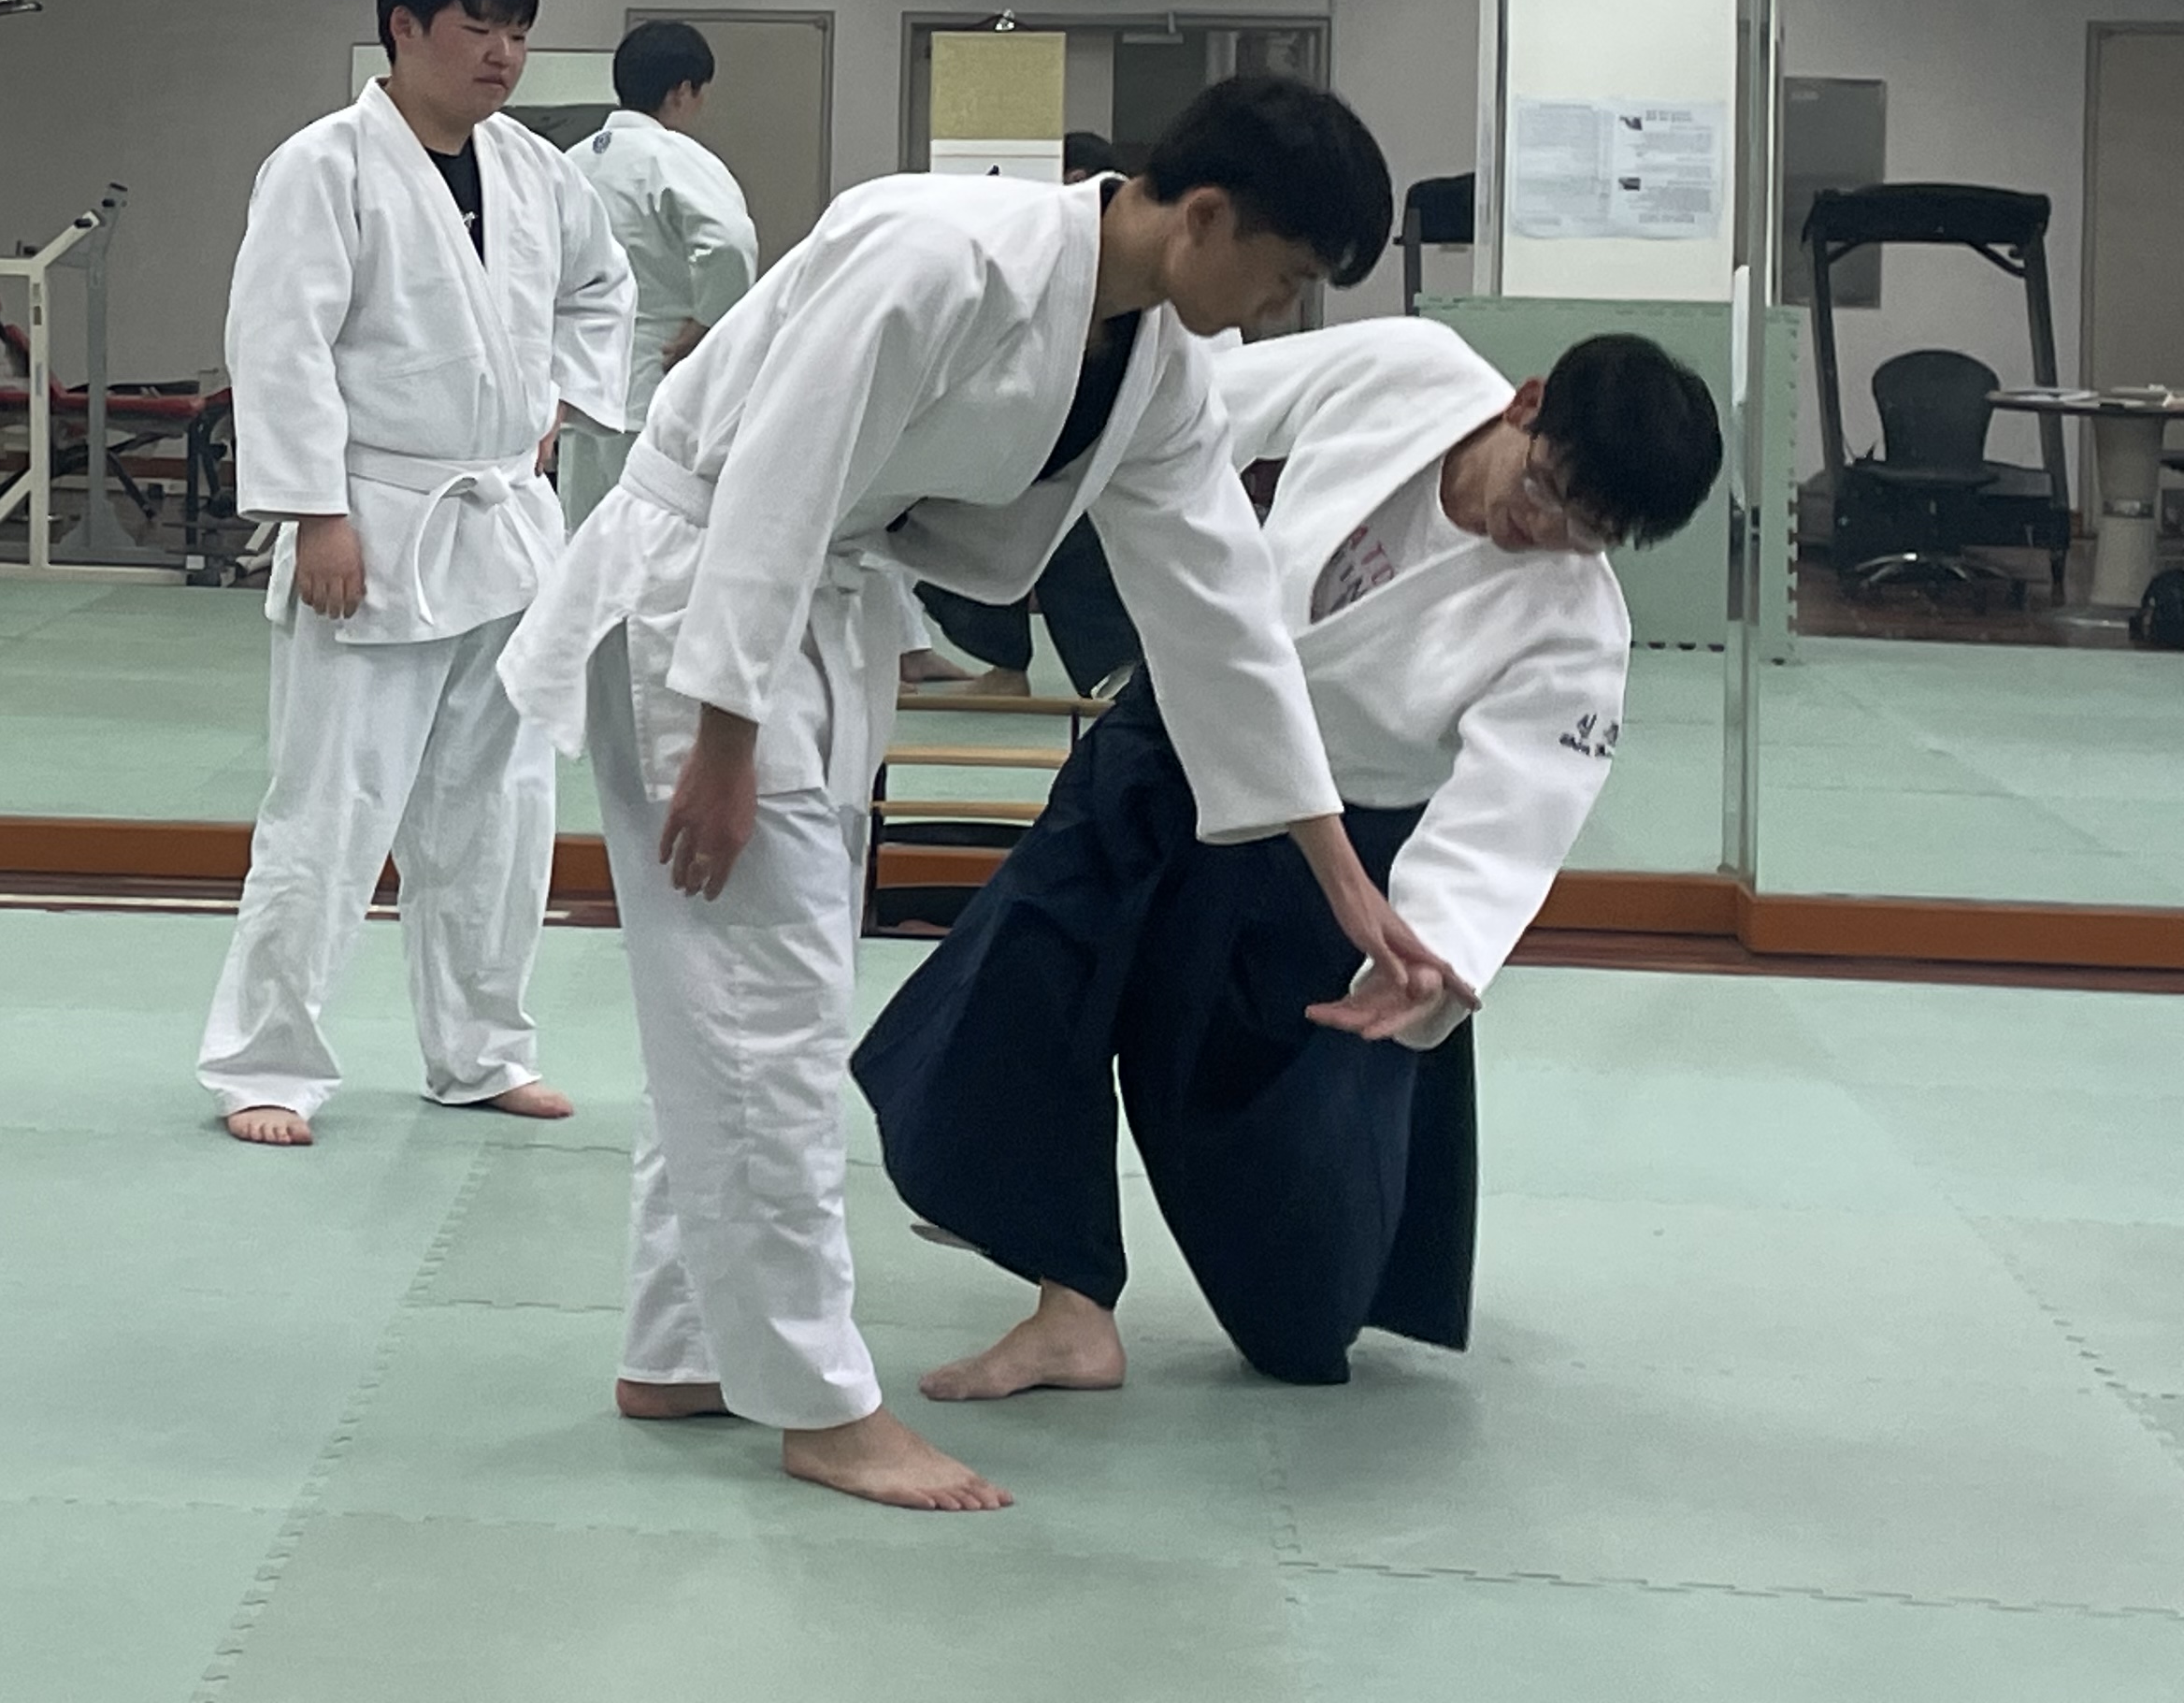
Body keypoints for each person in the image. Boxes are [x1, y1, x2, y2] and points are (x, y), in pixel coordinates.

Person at [501, 75, 1445, 1512]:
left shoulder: (1151, 363)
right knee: (765, 1017)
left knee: (744, 1007)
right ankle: (819, 1406)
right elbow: (780, 470)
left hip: (806, 622)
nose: (1277, 310)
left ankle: (683, 1349)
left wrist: (1342, 874)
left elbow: (1221, 616)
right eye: (1284, 274)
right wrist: (725, 736)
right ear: (1206, 217)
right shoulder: (940, 257)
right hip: (706, 611)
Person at [857, 319, 1722, 1396]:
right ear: (1527, 402)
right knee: (1038, 957)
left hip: (1337, 852)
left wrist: (1434, 950)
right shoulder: (1412, 371)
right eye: (1546, 489)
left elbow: (1513, 811)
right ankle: (1068, 1305)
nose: (1541, 529)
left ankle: (1297, 1288)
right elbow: (1199, 407)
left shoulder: (1576, 630)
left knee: (1291, 1272)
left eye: (1588, 531)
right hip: (1185, 728)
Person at [198, 0, 634, 1149]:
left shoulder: (538, 171)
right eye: (477, 28)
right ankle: (266, 1063)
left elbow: (602, 292)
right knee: (331, 811)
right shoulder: (323, 166)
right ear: (403, 29)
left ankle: (483, 1052)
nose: (503, 54)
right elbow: (279, 342)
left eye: (518, 32)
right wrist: (316, 513)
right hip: (375, 521)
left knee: (502, 813)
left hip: (505, 525)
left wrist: (559, 396)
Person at [911, 131, 1136, 695]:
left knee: (1059, 530)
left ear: (1080, 181)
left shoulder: (1130, 273)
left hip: (1116, 451)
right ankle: (1003, 665)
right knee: (955, 519)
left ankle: (1113, 672)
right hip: (1023, 441)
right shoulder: (1021, 251)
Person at [554, 21, 758, 527]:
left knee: (584, 534)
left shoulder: (570, 161)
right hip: (656, 378)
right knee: (653, 535)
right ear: (683, 90)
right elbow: (730, 242)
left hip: (580, 383)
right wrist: (711, 322)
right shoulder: (674, 157)